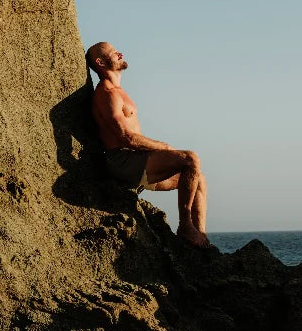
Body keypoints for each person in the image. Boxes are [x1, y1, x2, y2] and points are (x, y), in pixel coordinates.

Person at [85, 41, 210, 248]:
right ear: (100, 62)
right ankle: (185, 227)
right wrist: (165, 148)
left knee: (199, 180)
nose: (120, 53)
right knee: (190, 159)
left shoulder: (119, 91)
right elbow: (127, 137)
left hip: (138, 162)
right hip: (123, 161)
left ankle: (200, 238)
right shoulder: (107, 94)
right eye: (114, 52)